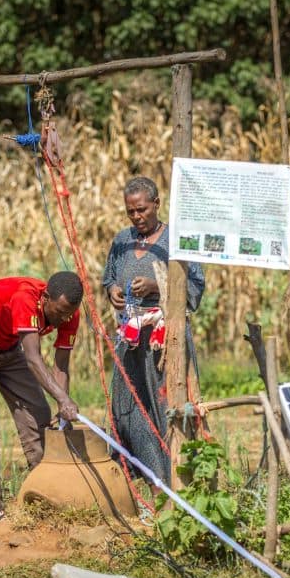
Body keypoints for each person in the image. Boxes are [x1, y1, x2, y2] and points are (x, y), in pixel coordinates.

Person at [0, 271, 83, 520]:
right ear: (45, 298)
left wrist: (61, 407)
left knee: (39, 415)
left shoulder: (69, 313)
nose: (63, 319)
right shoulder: (25, 298)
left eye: (68, 313)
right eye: (59, 312)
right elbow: (34, 359)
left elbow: (61, 365)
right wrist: (64, 399)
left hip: (9, 346)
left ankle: (44, 493)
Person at [102, 176, 205, 485]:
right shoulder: (122, 240)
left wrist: (156, 286)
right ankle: (140, 472)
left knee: (164, 404)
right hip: (130, 338)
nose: (137, 217)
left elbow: (196, 286)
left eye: (142, 210)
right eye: (131, 211)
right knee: (128, 403)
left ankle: (173, 474)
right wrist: (112, 290)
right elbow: (108, 276)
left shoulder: (175, 241)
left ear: (157, 204)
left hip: (165, 341)